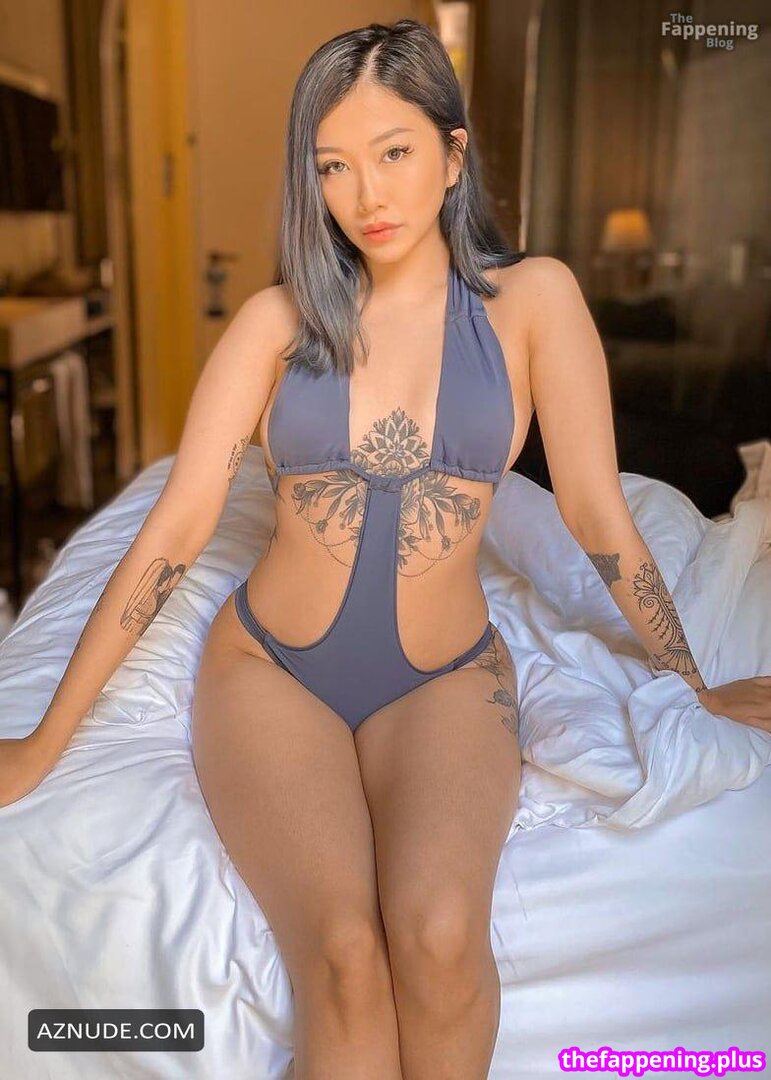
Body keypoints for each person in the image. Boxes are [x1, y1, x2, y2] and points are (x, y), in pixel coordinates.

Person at [2, 16, 770, 1080]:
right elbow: (173, 533)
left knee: (441, 940)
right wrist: (39, 745)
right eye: (334, 166)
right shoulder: (276, 324)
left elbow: (599, 518)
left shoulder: (535, 301)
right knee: (346, 960)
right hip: (274, 671)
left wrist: (689, 682)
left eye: (394, 152)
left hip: (445, 677)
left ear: (453, 155)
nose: (366, 194)